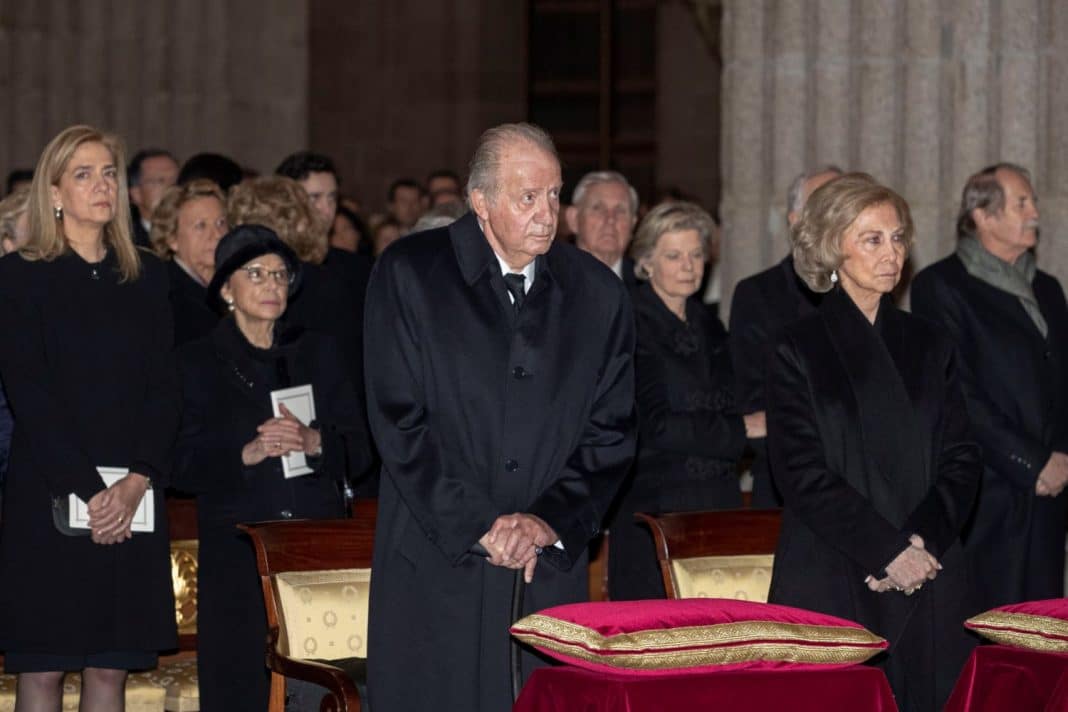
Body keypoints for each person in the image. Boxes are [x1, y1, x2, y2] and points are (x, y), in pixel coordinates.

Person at [365, 123, 637, 712]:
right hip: (439, 558)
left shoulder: (596, 293)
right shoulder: (412, 273)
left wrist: (545, 521)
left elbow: (611, 431)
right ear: (480, 201)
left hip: (547, 568)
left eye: (554, 195)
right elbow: (399, 421)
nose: (547, 214)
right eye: (527, 197)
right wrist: (481, 526)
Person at [765, 173, 980, 711]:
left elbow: (962, 457)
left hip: (928, 567)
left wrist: (920, 546)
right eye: (873, 239)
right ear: (833, 246)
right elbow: (799, 471)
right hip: (837, 568)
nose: (893, 254)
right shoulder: (798, 347)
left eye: (899, 237)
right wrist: (886, 551)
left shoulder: (929, 342)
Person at [0, 125, 180, 710]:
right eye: (83, 174)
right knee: (44, 670)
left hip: (134, 494)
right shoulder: (20, 278)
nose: (101, 185)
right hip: (50, 490)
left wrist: (135, 481)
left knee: (110, 668)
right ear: (53, 193)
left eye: (108, 173)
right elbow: (31, 396)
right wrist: (92, 492)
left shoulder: (149, 276)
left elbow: (165, 390)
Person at [172, 224, 371, 711]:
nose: (271, 285)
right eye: (256, 274)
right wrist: (246, 453)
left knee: (320, 690)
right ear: (226, 290)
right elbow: (176, 462)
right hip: (238, 553)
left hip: (312, 549)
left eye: (281, 275)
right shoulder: (196, 363)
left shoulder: (318, 353)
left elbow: (363, 449)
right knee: (242, 687)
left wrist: (314, 441)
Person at [912, 163, 1068, 609]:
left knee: (1043, 633)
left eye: (1032, 200)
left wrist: (1060, 457)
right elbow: (957, 390)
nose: (1035, 211)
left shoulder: (1049, 288)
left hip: (1049, 494)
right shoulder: (941, 286)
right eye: (1022, 203)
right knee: (988, 630)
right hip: (989, 491)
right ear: (983, 215)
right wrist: (1031, 461)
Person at [607, 202, 761, 601]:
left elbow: (731, 399)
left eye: (696, 255)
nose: (689, 266)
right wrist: (743, 429)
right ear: (645, 263)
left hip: (717, 503)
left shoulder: (708, 322)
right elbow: (652, 425)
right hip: (656, 510)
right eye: (674, 256)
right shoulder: (630, 322)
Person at [729, 165, 841, 506]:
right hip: (790, 487)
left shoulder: (869, 292)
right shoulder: (759, 294)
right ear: (795, 220)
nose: (835, 218)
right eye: (823, 206)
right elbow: (757, 403)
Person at [149, 179, 228, 345]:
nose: (217, 234)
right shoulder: (167, 296)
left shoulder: (232, 282)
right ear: (172, 238)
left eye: (221, 223)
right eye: (201, 226)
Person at [565, 170, 640, 288]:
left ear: (633, 223)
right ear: (573, 219)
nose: (610, 219)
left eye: (620, 211)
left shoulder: (650, 285)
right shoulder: (549, 283)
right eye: (598, 208)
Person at [128, 149, 179, 247]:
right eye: (160, 181)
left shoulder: (193, 236)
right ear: (136, 194)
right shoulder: (128, 244)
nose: (171, 187)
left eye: (176, 181)